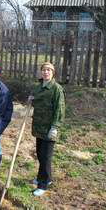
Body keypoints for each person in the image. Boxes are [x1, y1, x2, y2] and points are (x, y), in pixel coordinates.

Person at [29, 62, 65, 196]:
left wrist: (55, 127)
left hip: (50, 129)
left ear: (53, 72)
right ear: (41, 72)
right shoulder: (39, 87)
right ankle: (46, 178)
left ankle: (42, 185)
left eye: (49, 70)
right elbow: (36, 101)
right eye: (44, 70)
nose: (46, 72)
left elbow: (59, 109)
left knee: (45, 157)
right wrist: (31, 99)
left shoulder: (56, 88)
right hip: (39, 128)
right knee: (40, 154)